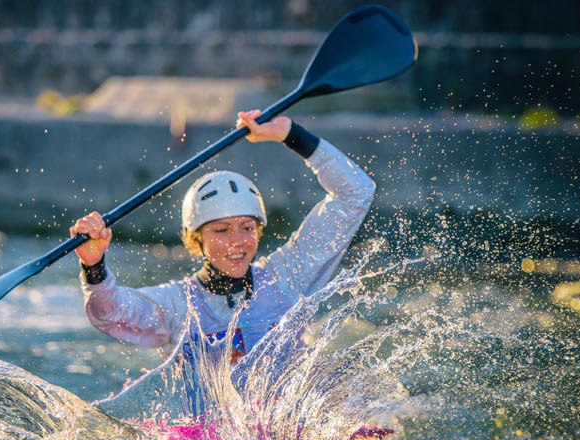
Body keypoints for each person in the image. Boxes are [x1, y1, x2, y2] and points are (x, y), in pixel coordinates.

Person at [70, 109, 375, 372]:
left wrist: (290, 134)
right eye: (221, 231)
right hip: (212, 437)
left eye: (246, 227)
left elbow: (356, 192)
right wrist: (93, 265)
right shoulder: (176, 306)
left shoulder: (289, 276)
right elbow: (110, 315)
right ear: (195, 239)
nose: (237, 242)